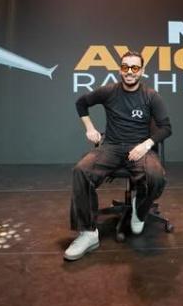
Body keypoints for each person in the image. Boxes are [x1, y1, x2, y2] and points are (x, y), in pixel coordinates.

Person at [64, 50, 172, 261]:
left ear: (142, 70)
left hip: (140, 148)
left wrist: (146, 144)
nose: (130, 71)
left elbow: (166, 128)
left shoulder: (151, 96)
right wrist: (90, 128)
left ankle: (139, 210)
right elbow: (81, 103)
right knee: (81, 171)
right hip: (111, 146)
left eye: (135, 67)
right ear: (120, 69)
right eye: (125, 67)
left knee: (156, 177)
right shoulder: (109, 91)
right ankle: (88, 233)